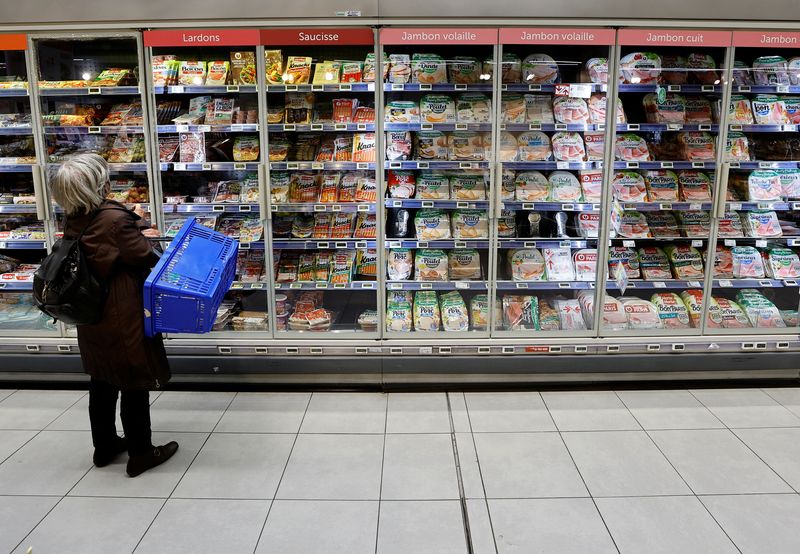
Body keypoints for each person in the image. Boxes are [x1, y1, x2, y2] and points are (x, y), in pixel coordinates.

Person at [49, 153, 178, 477]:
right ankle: (141, 453)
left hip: (91, 310)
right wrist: (143, 228)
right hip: (122, 310)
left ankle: (104, 446)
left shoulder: (75, 214)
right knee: (134, 381)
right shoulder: (114, 218)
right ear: (99, 185)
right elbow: (144, 258)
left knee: (102, 380)